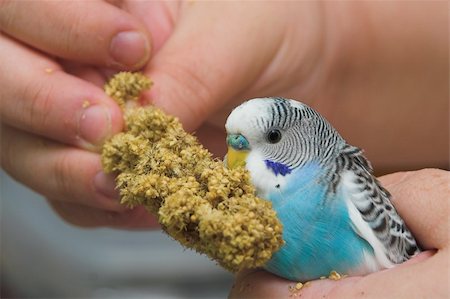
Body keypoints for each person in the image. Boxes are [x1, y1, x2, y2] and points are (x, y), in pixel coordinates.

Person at [0, 1, 448, 297]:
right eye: (237, 144)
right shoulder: (240, 194)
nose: (236, 155)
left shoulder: (347, 183)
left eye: (266, 140)